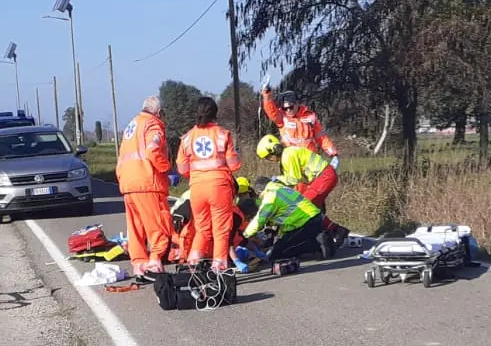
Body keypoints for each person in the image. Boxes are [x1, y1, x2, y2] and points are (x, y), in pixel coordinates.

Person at [174, 96, 242, 270]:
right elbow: (234, 165)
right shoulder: (223, 135)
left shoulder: (187, 138)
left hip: (196, 188)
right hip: (219, 188)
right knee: (221, 231)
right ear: (215, 113)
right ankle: (219, 268)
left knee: (202, 229)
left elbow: (182, 168)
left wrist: (197, 175)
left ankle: (193, 264)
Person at [256, 133, 348, 256]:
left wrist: (276, 180)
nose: (269, 160)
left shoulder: (288, 155)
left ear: (274, 150)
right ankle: (334, 231)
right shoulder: (287, 155)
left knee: (304, 207)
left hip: (324, 176)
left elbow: (294, 179)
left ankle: (335, 231)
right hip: (321, 177)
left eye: (268, 157)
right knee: (311, 209)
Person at [114, 95, 175, 275]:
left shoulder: (132, 126)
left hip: (127, 182)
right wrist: (166, 169)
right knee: (158, 223)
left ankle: (139, 263)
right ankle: (155, 260)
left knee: (135, 227)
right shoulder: (153, 125)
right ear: (159, 112)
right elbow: (152, 150)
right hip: (147, 182)